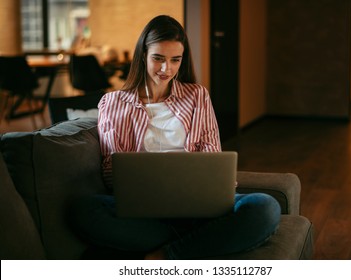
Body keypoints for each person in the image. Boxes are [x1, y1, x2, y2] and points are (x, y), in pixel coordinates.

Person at [69, 15, 281, 260]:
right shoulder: (112, 102)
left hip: (199, 204)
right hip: (143, 208)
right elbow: (109, 169)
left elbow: (212, 153)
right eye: (158, 58)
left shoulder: (196, 95)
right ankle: (200, 241)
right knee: (83, 210)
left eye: (175, 60)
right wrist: (146, 181)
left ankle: (164, 255)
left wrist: (213, 187)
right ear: (143, 55)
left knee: (265, 207)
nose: (165, 69)